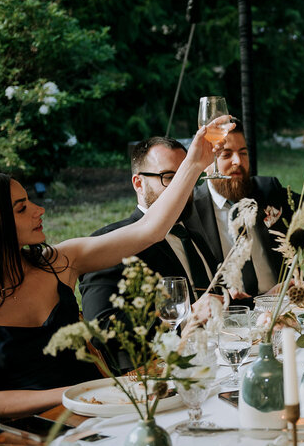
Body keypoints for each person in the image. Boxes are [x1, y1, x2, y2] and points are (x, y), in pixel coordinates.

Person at [0, 119, 225, 419]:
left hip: (104, 410)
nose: (39, 209)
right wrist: (83, 393)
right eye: (21, 208)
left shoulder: (59, 262)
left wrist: (194, 164)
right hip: (30, 436)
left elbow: (150, 230)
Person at [79, 137, 221, 368]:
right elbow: (101, 329)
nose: (182, 186)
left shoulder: (191, 234)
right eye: (169, 177)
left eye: (188, 175)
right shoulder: (110, 243)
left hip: (216, 359)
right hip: (155, 376)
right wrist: (185, 316)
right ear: (138, 183)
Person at [193, 118, 304, 298]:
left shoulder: (266, 190)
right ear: (205, 162)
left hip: (282, 304)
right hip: (227, 312)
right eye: (226, 154)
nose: (238, 161)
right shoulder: (192, 209)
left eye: (243, 153)